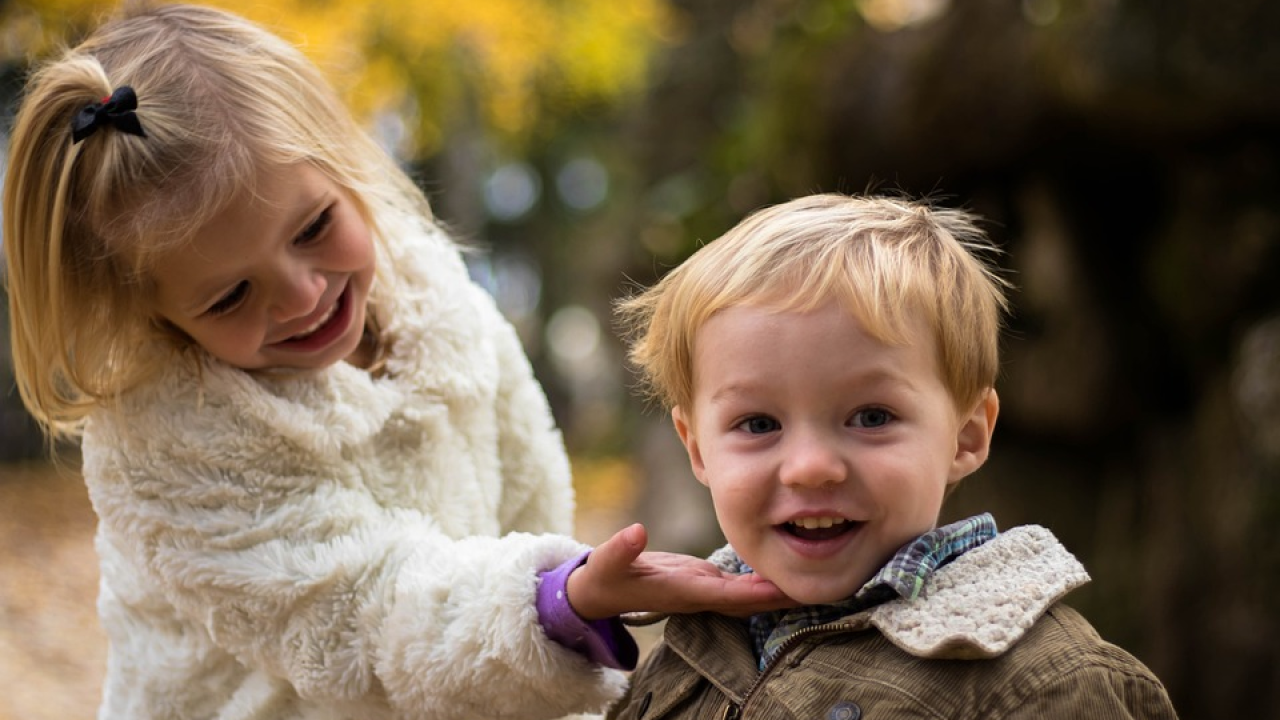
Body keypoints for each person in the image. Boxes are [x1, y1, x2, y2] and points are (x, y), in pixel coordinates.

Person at [0, 4, 791, 719]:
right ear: (155, 315)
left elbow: (525, 496)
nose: (302, 296)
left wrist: (562, 637)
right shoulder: (168, 441)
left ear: (345, 165)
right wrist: (555, 606)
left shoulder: (435, 303)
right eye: (231, 296)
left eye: (313, 226)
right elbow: (359, 623)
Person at [608, 194, 1180, 719]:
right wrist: (561, 608)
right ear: (698, 448)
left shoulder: (1044, 682)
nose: (810, 467)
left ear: (966, 436)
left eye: (872, 417)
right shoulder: (685, 650)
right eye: (759, 424)